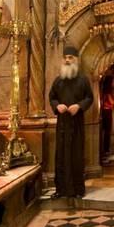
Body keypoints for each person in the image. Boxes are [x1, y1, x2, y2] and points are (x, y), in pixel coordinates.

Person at [48, 45, 93, 199]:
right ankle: (60, 189)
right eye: (65, 58)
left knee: (75, 156)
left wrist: (79, 106)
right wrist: (57, 106)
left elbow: (89, 98)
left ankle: (78, 190)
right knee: (60, 156)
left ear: (76, 60)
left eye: (70, 58)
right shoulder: (58, 81)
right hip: (62, 124)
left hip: (76, 124)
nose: (67, 60)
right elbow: (52, 97)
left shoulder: (83, 80)